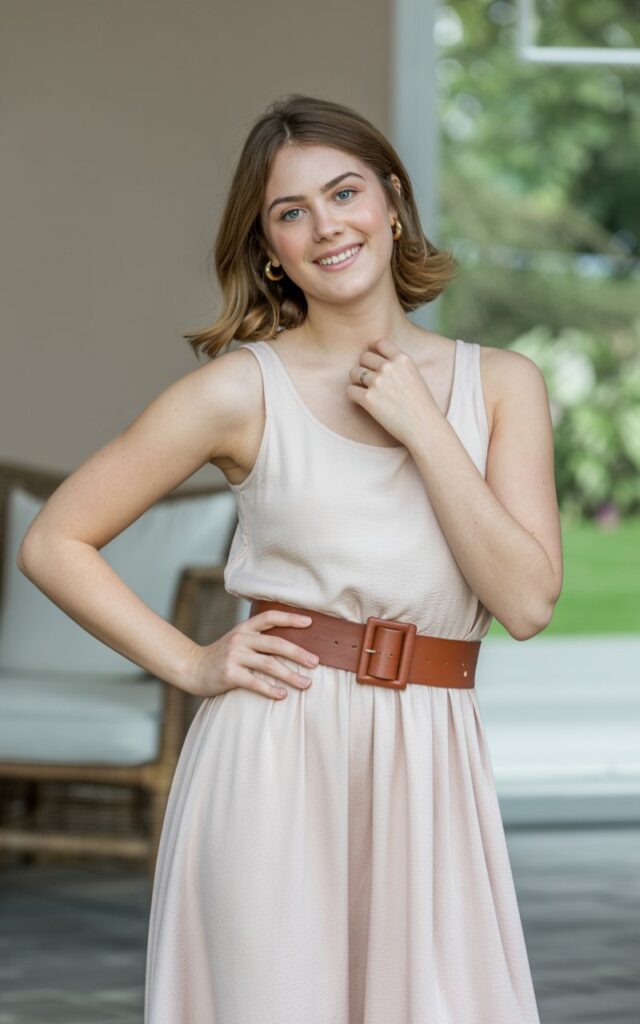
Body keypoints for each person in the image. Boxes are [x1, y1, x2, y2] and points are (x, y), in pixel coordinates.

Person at [18, 94, 563, 1023]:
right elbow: (52, 540)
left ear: (392, 201)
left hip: (430, 762)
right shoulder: (239, 389)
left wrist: (426, 428)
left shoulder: (503, 385)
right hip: (276, 751)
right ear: (270, 247)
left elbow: (526, 601)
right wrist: (193, 663)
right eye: (291, 212)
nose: (326, 227)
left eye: (344, 192)